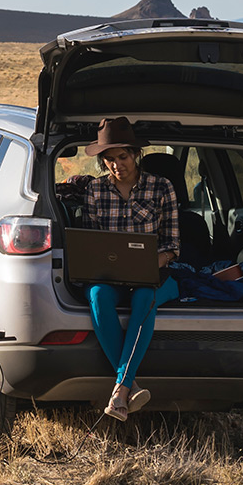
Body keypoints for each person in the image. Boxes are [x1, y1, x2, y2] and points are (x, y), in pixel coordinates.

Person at [57, 117, 181, 421]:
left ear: (136, 154)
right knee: (97, 296)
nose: (116, 165)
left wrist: (151, 263)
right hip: (109, 277)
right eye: (109, 159)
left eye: (123, 157)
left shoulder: (161, 187)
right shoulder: (95, 190)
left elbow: (173, 245)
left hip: (155, 273)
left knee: (144, 297)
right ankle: (127, 386)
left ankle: (121, 389)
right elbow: (91, 243)